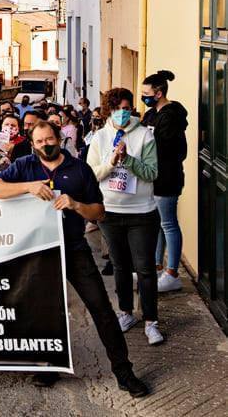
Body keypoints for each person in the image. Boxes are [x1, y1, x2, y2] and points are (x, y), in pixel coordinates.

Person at [0, 121, 149, 397]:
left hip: (74, 249)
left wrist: (76, 205)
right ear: (32, 144)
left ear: (59, 138)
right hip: (39, 253)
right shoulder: (25, 166)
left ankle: (124, 372)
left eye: (50, 139)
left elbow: (99, 212)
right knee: (43, 311)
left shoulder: (80, 169)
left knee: (101, 309)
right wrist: (28, 187)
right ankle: (49, 366)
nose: (45, 145)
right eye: (39, 141)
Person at [87, 88, 163, 345]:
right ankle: (126, 312)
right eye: (118, 109)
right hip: (110, 213)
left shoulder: (144, 135)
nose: (123, 113)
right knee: (119, 266)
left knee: (145, 268)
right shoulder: (100, 137)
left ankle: (151, 321)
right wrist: (111, 162)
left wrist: (128, 159)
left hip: (141, 213)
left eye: (127, 108)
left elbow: (152, 173)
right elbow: (91, 174)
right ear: (109, 110)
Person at [141, 70, 188, 293]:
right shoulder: (152, 114)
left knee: (168, 224)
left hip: (167, 179)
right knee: (157, 224)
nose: (143, 97)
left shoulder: (171, 117)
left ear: (158, 93)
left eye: (146, 94)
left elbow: (163, 149)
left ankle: (172, 274)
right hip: (153, 178)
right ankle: (157, 266)